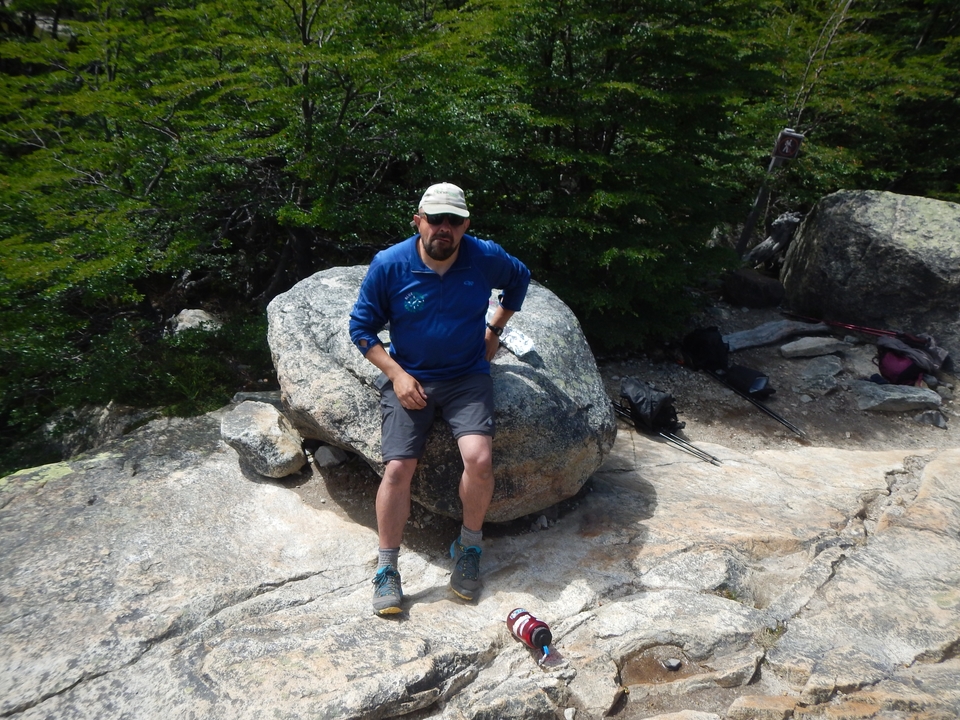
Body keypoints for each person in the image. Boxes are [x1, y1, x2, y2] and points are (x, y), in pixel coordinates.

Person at [349, 182, 531, 615]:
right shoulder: (390, 265)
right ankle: (387, 568)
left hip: (467, 375)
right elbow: (362, 329)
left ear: (466, 225)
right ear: (419, 220)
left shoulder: (483, 256)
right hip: (411, 375)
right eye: (435, 220)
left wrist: (495, 329)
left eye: (454, 221)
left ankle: (469, 547)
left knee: (480, 459)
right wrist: (395, 375)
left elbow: (519, 277)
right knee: (397, 468)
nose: (443, 230)